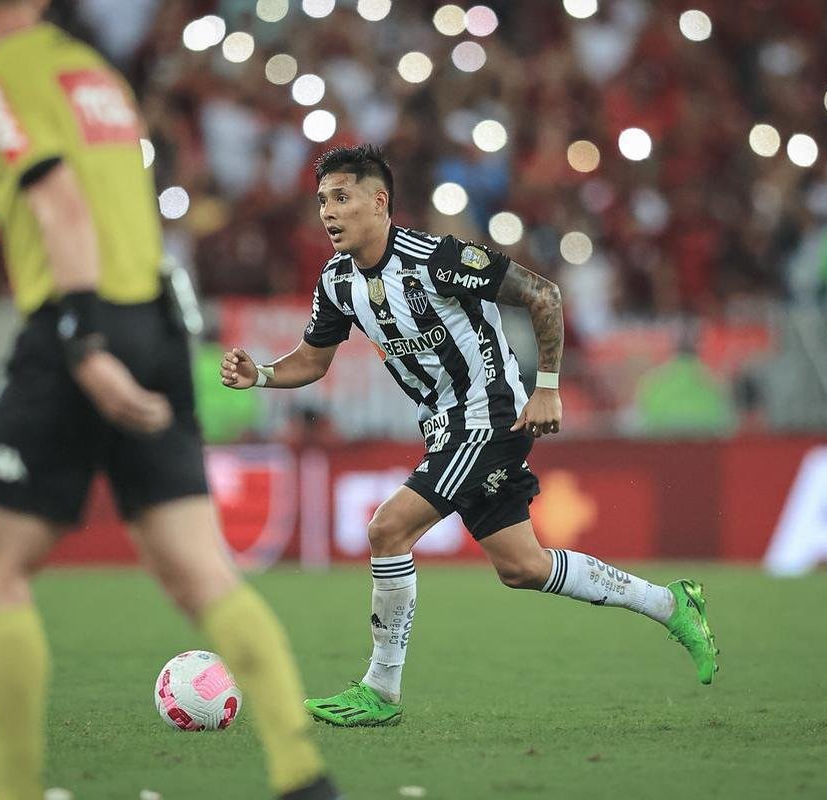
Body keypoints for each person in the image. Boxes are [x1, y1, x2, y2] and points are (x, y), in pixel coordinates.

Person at [0, 2, 338, 798]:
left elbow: (60, 205)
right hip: (158, 321)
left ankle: (13, 791)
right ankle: (303, 774)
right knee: (201, 572)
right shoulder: (96, 77)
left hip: (79, 319)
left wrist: (83, 340)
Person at [221, 145, 719, 727]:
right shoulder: (337, 282)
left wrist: (550, 388)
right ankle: (671, 604)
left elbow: (543, 295)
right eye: (323, 200)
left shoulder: (436, 259)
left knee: (388, 528)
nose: (328, 212)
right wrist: (261, 374)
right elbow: (313, 360)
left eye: (342, 197)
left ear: (379, 201)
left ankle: (380, 691)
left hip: (487, 417)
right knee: (523, 567)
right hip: (445, 429)